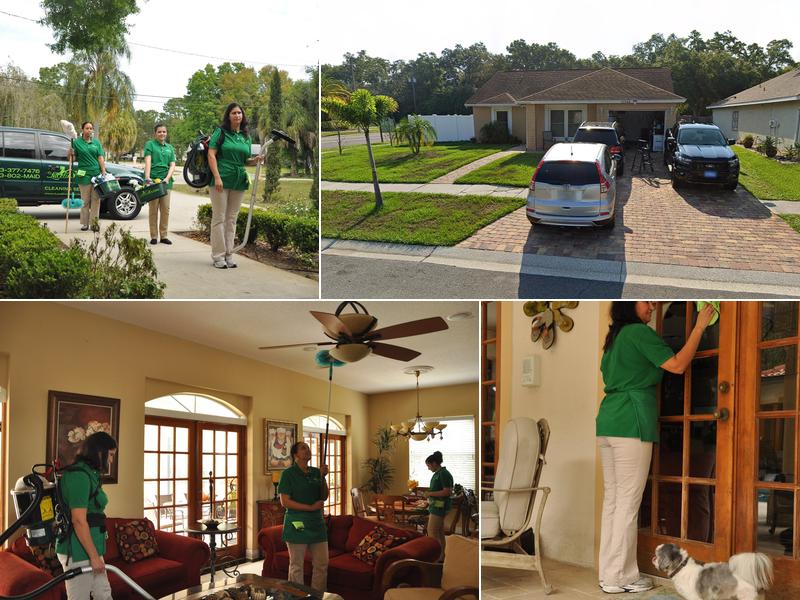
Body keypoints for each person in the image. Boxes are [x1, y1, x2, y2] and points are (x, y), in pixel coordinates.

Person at [596, 302, 715, 594]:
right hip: (632, 421)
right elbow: (677, 365)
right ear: (629, 307)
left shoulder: (614, 339)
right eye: (646, 301)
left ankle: (609, 574)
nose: (651, 306)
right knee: (627, 504)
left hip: (609, 421)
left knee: (613, 502)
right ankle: (621, 578)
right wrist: (699, 326)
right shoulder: (638, 332)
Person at [56, 431, 118, 600]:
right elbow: (78, 520)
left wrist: (96, 557)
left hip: (91, 548)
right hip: (77, 551)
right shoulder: (78, 476)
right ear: (100, 452)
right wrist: (94, 558)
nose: (111, 460)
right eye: (110, 455)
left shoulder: (90, 474)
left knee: (104, 594)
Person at [207, 102, 263, 269]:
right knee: (219, 218)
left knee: (232, 219)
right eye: (234, 113)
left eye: (239, 113)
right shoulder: (221, 132)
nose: (237, 115)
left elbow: (244, 160)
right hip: (221, 179)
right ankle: (218, 256)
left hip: (238, 180)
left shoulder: (246, 136)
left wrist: (255, 160)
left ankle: (229, 253)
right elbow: (211, 154)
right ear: (228, 116)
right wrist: (217, 177)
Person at [278, 442, 329, 593]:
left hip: (317, 524)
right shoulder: (288, 474)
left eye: (308, 447)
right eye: (303, 448)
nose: (307, 450)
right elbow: (284, 502)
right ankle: (296, 596)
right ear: (295, 455)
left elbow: (324, 496)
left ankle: (317, 595)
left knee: (322, 564)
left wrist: (323, 477)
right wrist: (310, 508)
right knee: (296, 565)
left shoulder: (315, 472)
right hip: (297, 523)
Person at [67, 121, 106, 232]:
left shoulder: (96, 143)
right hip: (83, 174)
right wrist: (70, 153)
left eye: (91, 128)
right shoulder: (76, 142)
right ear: (82, 130)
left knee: (96, 200)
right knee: (85, 201)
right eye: (87, 128)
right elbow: (72, 159)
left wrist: (103, 171)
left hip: (96, 175)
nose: (89, 130)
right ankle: (85, 223)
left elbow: (100, 157)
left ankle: (94, 224)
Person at [143, 123, 176, 245]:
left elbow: (172, 164)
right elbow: (148, 161)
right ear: (155, 133)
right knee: (153, 209)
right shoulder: (150, 145)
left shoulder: (170, 148)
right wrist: (147, 177)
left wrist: (167, 178)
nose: (162, 134)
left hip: (166, 182)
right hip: (153, 181)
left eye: (164, 132)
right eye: (159, 132)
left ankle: (164, 235)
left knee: (165, 209)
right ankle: (154, 236)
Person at [425, 450, 453, 560]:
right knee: (439, 531)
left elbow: (447, 491)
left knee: (431, 531)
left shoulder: (444, 474)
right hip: (436, 505)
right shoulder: (438, 474)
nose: (428, 468)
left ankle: (435, 555)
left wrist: (429, 493)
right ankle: (441, 556)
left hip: (439, 507)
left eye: (429, 465)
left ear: (434, 463)